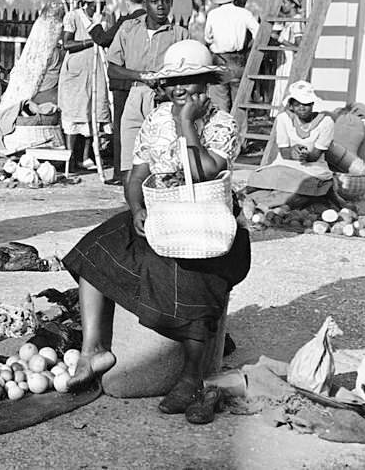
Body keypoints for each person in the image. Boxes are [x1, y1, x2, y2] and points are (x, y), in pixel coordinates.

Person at [61, 41, 247, 423]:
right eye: (173, 82)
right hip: (162, 214)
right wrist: (136, 208)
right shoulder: (157, 118)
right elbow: (138, 173)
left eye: (189, 80)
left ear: (206, 83)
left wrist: (185, 125)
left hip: (206, 222)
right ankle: (93, 349)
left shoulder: (222, 122)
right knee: (96, 248)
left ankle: (192, 375)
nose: (180, 89)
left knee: (194, 275)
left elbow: (205, 172)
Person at [106, 0, 188, 185]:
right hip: (135, 96)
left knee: (163, 161)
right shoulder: (128, 28)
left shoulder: (180, 34)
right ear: (145, 4)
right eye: (155, 0)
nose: (161, 5)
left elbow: (188, 75)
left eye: (166, 0)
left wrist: (168, 89)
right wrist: (141, 76)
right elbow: (113, 69)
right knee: (129, 160)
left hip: (165, 101)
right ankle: (132, 209)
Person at [244, 80, 339, 209]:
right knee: (258, 179)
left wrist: (305, 156)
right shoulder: (283, 119)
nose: (302, 107)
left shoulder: (326, 122)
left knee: (304, 187)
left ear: (312, 104)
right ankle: (255, 201)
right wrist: (293, 152)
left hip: (312, 168)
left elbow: (315, 156)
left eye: (306, 104)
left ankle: (266, 205)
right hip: (285, 163)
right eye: (297, 104)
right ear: (291, 106)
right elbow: (284, 153)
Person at [58, 0, 111, 170]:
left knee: (92, 112)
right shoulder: (73, 17)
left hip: (96, 70)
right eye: (95, 7)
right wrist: (92, 40)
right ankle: (70, 157)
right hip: (76, 74)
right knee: (74, 113)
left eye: (101, 6)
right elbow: (67, 44)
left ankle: (87, 156)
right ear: (86, 4)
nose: (99, 10)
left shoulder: (104, 19)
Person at [106, 0, 146, 184]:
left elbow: (104, 39)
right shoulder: (149, 21)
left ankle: (121, 172)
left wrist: (94, 26)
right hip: (140, 82)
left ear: (127, 1)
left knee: (122, 127)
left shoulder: (128, 22)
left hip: (124, 82)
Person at [203, 0, 259, 112]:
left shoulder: (213, 14)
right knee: (240, 102)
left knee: (220, 102)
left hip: (219, 59)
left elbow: (207, 38)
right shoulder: (244, 13)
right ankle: (240, 130)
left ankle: (223, 130)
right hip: (238, 60)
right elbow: (258, 32)